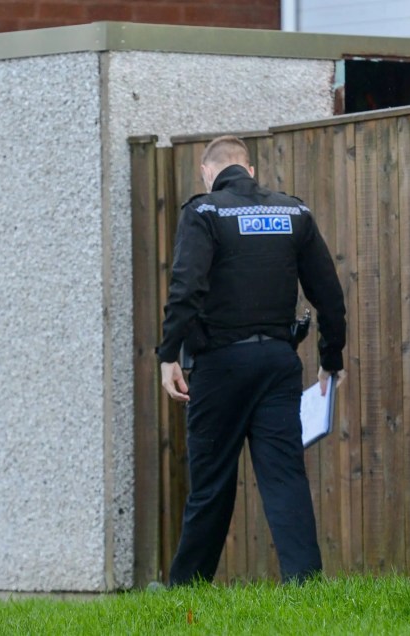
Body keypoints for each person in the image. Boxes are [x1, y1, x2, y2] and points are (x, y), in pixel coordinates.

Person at [156, 135, 347, 586]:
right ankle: (304, 584)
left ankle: (187, 586)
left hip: (220, 368)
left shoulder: (204, 212)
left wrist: (168, 356)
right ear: (250, 169)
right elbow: (329, 295)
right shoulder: (293, 213)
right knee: (284, 477)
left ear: (209, 173)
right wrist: (330, 359)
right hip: (277, 365)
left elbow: (186, 290)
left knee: (211, 484)